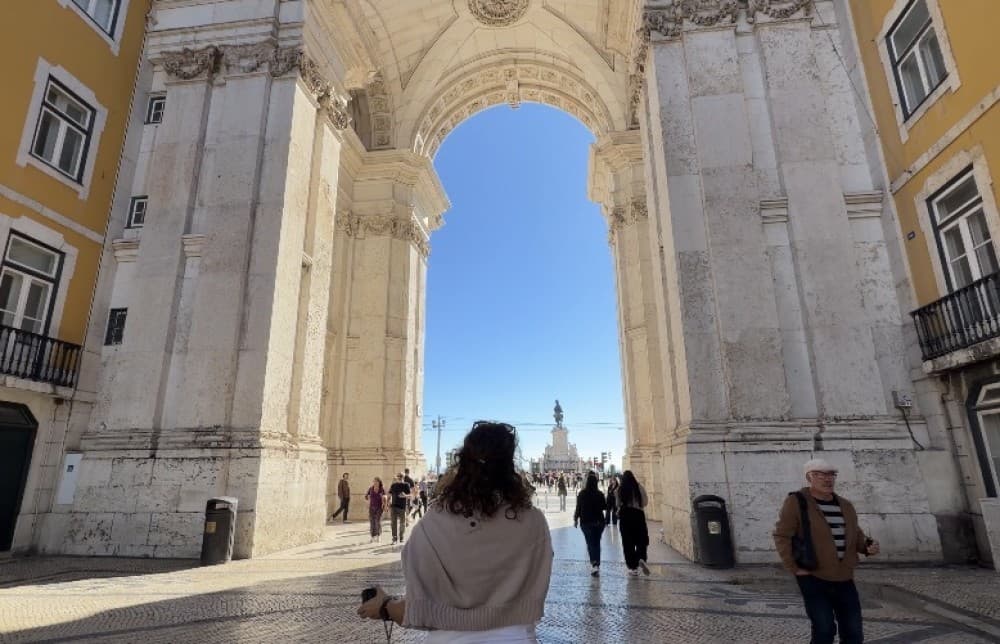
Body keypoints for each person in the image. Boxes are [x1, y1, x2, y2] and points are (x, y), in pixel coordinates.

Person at [358, 421, 553, 643]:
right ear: (510, 465)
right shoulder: (534, 522)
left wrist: (384, 606)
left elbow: (418, 609)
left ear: (463, 463)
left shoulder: (434, 523)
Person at [774, 458, 880, 644]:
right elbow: (783, 535)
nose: (827, 479)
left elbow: (855, 533)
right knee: (824, 629)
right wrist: (794, 567)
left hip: (844, 576)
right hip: (813, 575)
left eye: (831, 475)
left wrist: (867, 547)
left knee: (853, 630)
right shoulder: (796, 502)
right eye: (820, 475)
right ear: (810, 478)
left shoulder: (845, 505)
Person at [616, 470, 650, 576]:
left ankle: (632, 567)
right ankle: (641, 558)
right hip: (638, 515)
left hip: (625, 516)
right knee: (641, 539)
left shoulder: (619, 489)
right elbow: (645, 502)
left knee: (627, 542)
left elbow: (617, 504)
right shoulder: (639, 487)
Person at [574, 471, 606, 576]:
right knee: (596, 543)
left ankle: (594, 564)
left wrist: (575, 519)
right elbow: (605, 507)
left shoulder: (582, 494)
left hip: (586, 522)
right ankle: (596, 563)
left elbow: (578, 508)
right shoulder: (600, 494)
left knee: (590, 543)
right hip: (599, 522)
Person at [388, 472, 412, 544]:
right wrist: (387, 502)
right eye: (398, 476)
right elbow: (389, 494)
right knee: (393, 523)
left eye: (401, 476)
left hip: (402, 507)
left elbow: (410, 495)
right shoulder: (393, 485)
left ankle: (401, 536)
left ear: (403, 477)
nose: (399, 477)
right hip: (393, 506)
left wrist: (404, 496)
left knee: (402, 523)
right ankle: (394, 538)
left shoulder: (406, 485)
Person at [365, 477, 387, 543]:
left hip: (379, 507)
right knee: (372, 522)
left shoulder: (381, 489)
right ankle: (372, 536)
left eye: (376, 481)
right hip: (371, 507)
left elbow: (385, 497)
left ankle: (378, 536)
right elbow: (366, 496)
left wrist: (384, 501)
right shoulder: (371, 488)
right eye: (374, 481)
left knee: (377, 521)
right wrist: (367, 497)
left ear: (379, 482)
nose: (375, 483)